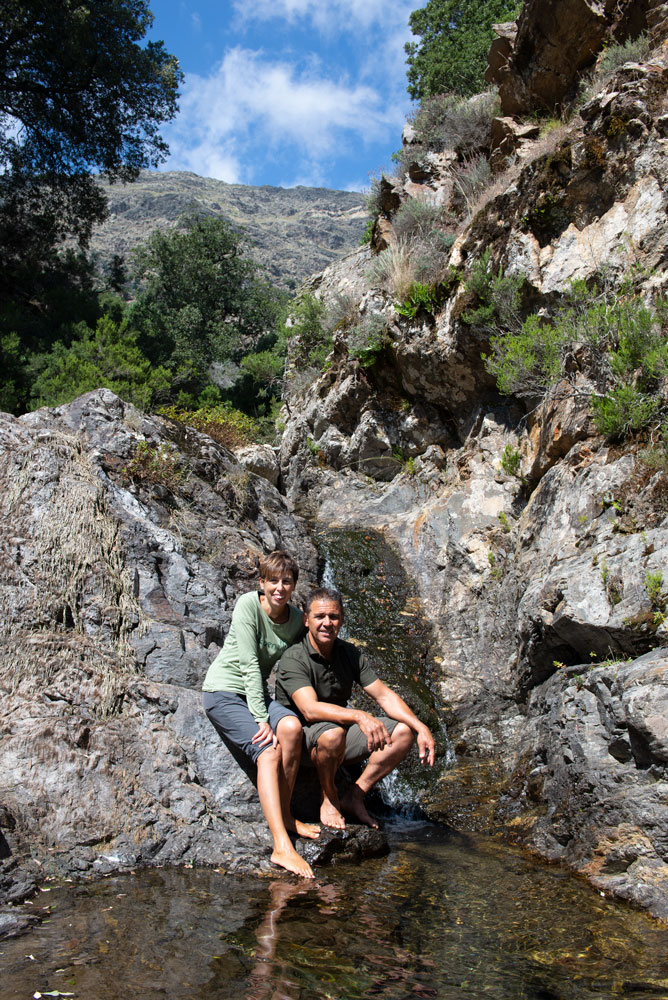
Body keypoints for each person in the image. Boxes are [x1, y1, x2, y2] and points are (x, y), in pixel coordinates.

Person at [275, 587, 435, 830]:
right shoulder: (294, 658)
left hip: (338, 738)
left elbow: (383, 695)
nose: (327, 623)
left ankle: (355, 795)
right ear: (306, 620)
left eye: (334, 617)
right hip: (303, 741)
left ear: (342, 620)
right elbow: (309, 710)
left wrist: (420, 726)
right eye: (319, 617)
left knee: (403, 733)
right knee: (333, 734)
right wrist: (359, 715)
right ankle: (329, 797)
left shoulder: (349, 653)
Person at [202, 551, 319, 878]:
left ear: (293, 585)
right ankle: (282, 845)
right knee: (268, 751)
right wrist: (261, 719)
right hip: (223, 693)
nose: (279, 587)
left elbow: (310, 646)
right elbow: (250, 666)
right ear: (261, 583)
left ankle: (286, 816)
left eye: (286, 581)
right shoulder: (247, 606)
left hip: (255, 698)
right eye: (273, 581)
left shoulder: (295, 619)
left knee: (293, 729)